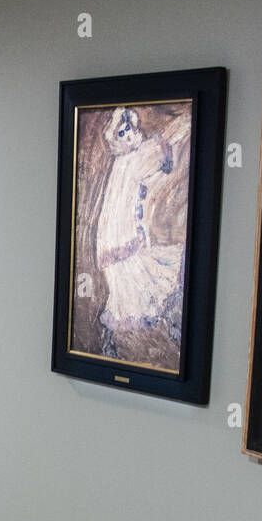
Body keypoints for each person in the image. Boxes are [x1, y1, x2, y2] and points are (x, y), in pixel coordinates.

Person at [93, 105, 190, 361]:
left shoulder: (126, 162)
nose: (129, 136)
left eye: (130, 130)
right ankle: (113, 341)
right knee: (135, 287)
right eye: (122, 133)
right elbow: (163, 156)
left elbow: (163, 161)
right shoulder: (128, 161)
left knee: (149, 279)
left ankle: (169, 320)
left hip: (122, 241)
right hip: (120, 242)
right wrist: (176, 131)